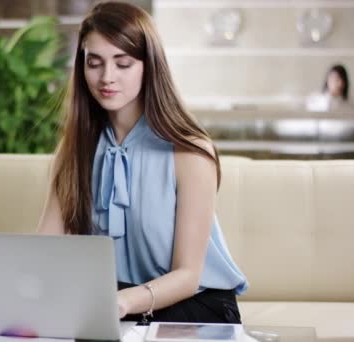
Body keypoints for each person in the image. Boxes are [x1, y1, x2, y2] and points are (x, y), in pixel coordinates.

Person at [37, 1, 248, 324]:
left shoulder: (190, 151)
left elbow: (189, 275)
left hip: (194, 303)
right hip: (112, 301)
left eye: (123, 63)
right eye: (95, 63)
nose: (107, 77)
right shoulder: (75, 148)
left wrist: (122, 303)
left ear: (148, 66)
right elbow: (44, 251)